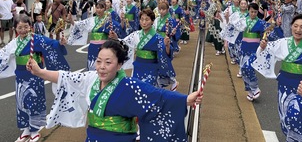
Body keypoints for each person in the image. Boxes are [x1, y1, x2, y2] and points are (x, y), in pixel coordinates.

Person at [26, 39, 203, 142]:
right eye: (98, 61)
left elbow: (159, 97)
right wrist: (40, 72)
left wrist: (186, 99)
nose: (101, 67)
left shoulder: (130, 86)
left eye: (108, 63)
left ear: (119, 65)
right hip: (93, 137)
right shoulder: (91, 79)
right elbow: (66, 77)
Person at [252, 14, 302, 142]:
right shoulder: (284, 42)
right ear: (291, 27)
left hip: (301, 89)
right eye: (296, 26)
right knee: (284, 118)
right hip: (283, 85)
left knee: (294, 116)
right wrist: (263, 47)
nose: (298, 30)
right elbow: (266, 51)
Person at [0, 15, 69, 142]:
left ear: (30, 27)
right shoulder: (14, 43)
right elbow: (3, 54)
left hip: (35, 76)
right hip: (20, 76)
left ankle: (35, 129)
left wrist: (60, 42)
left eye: (26, 27)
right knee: (21, 103)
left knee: (34, 102)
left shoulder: (36, 39)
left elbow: (52, 44)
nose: (23, 30)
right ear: (15, 28)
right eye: (20, 27)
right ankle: (26, 129)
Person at [109, 9, 174, 88]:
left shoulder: (158, 38)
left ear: (152, 21)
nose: (144, 22)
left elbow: (165, 53)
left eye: (147, 20)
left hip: (151, 69)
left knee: (149, 90)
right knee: (137, 89)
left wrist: (167, 46)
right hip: (138, 67)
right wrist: (116, 38)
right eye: (142, 19)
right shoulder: (136, 34)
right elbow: (124, 43)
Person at [68, 0, 125, 71]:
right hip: (92, 47)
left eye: (101, 8)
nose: (99, 10)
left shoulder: (108, 20)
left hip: (103, 47)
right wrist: (71, 20)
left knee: (103, 67)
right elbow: (79, 25)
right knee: (92, 68)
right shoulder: (92, 20)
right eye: (97, 8)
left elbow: (119, 28)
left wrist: (122, 20)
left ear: (105, 9)